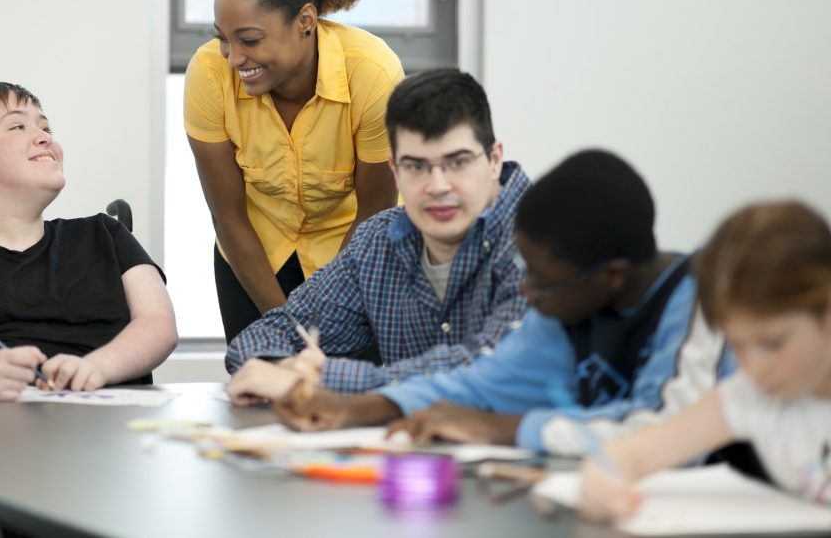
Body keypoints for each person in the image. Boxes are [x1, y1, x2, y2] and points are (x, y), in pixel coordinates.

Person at [270, 149, 734, 455]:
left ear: (612, 277)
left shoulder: (704, 302)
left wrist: (499, 429)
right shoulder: (569, 306)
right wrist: (363, 409)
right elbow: (481, 384)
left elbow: (668, 430)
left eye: (543, 282)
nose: (528, 291)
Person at [0, 82, 178, 537]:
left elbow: (158, 325)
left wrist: (98, 367)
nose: (44, 136)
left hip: (96, 410)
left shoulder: (105, 234)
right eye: (19, 126)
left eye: (46, 126)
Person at [225, 68, 530, 397]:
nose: (438, 186)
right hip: (411, 444)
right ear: (395, 171)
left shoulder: (544, 238)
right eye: (416, 166)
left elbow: (492, 371)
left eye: (457, 163)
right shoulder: (380, 241)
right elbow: (267, 336)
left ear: (495, 159)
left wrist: (317, 378)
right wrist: (287, 369)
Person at [184, 0, 404, 344]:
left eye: (249, 40)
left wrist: (327, 317)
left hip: (353, 251)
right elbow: (228, 216)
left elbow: (374, 215)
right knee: (259, 390)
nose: (233, 57)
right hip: (253, 253)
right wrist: (285, 325)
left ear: (305, 21)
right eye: (223, 39)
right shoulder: (209, 74)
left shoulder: (372, 74)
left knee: (344, 394)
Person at [580, 201, 831, 520]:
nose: (753, 368)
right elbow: (628, 455)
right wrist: (603, 480)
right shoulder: (752, 396)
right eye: (737, 346)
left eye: (772, 343)